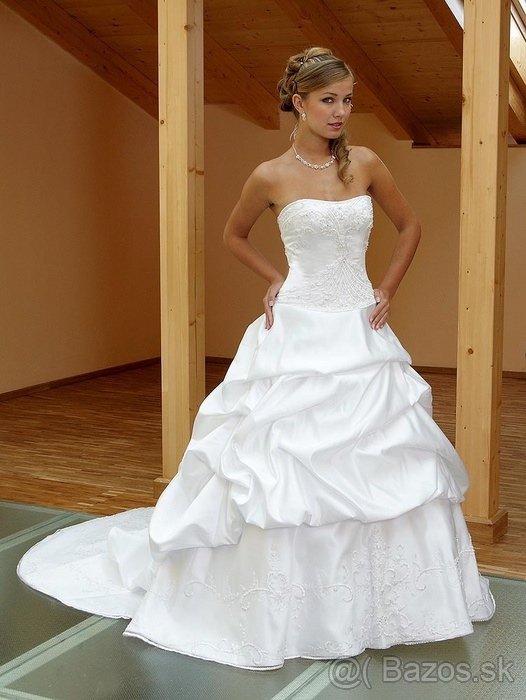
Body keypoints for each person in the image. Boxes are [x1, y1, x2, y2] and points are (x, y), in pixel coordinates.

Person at [17, 47, 495, 671]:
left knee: (382, 463)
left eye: (348, 100)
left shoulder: (367, 164)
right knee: (276, 470)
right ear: (299, 101)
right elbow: (232, 235)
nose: (341, 112)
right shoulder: (270, 175)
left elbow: (410, 226)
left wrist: (387, 289)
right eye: (329, 100)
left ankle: (380, 603)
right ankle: (282, 608)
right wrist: (274, 278)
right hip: (294, 330)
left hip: (358, 331)